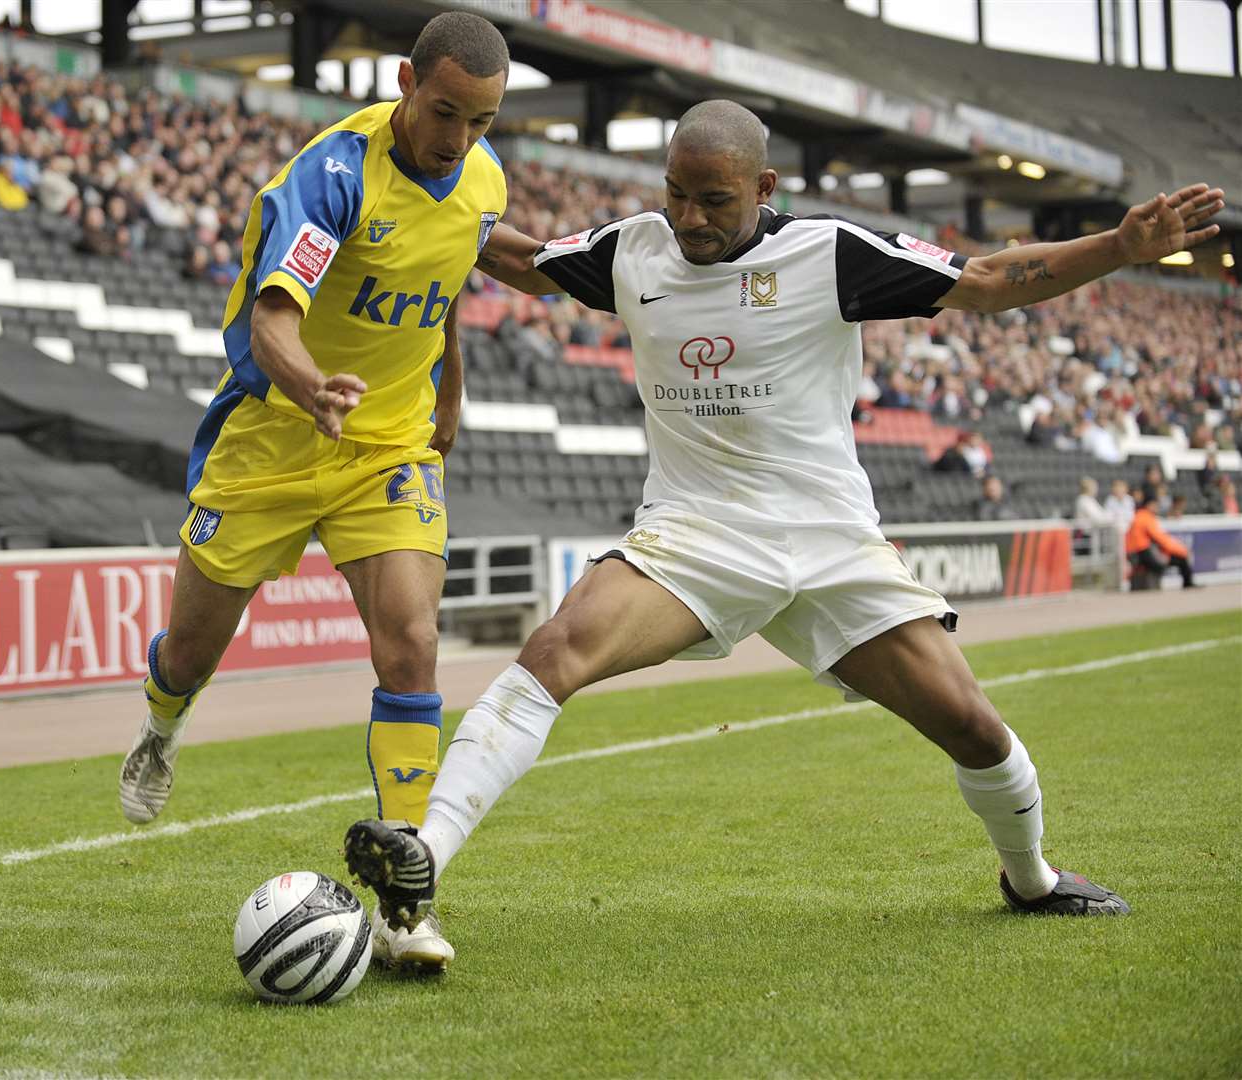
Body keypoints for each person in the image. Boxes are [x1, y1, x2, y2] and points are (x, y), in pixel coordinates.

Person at [345, 99, 1225, 931]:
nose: (688, 219)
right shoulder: (631, 250)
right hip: (696, 535)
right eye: (676, 194)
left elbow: (990, 281)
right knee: (552, 653)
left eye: (714, 201)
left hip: (828, 540)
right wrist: (388, 187)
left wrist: (1118, 244)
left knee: (973, 729)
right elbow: (515, 260)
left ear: (764, 190)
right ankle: (424, 855)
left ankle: (1030, 879)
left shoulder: (830, 252)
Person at [117, 11, 511, 971]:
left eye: (481, 122)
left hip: (386, 447)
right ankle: (160, 726)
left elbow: (448, 276)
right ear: (405, 81)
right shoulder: (330, 176)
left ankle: (405, 899)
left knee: (412, 641)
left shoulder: (485, 182)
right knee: (194, 649)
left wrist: (448, 397)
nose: (457, 139)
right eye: (445, 111)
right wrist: (310, 388)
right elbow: (271, 321)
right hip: (272, 440)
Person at [1125, 491, 1196, 588]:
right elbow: (1162, 540)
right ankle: (1188, 584)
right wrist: (1182, 551)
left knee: (1174, 557)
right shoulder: (1146, 518)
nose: (1157, 507)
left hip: (1135, 554)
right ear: (1150, 504)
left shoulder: (1139, 516)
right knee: (1181, 559)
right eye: (1156, 504)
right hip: (1143, 553)